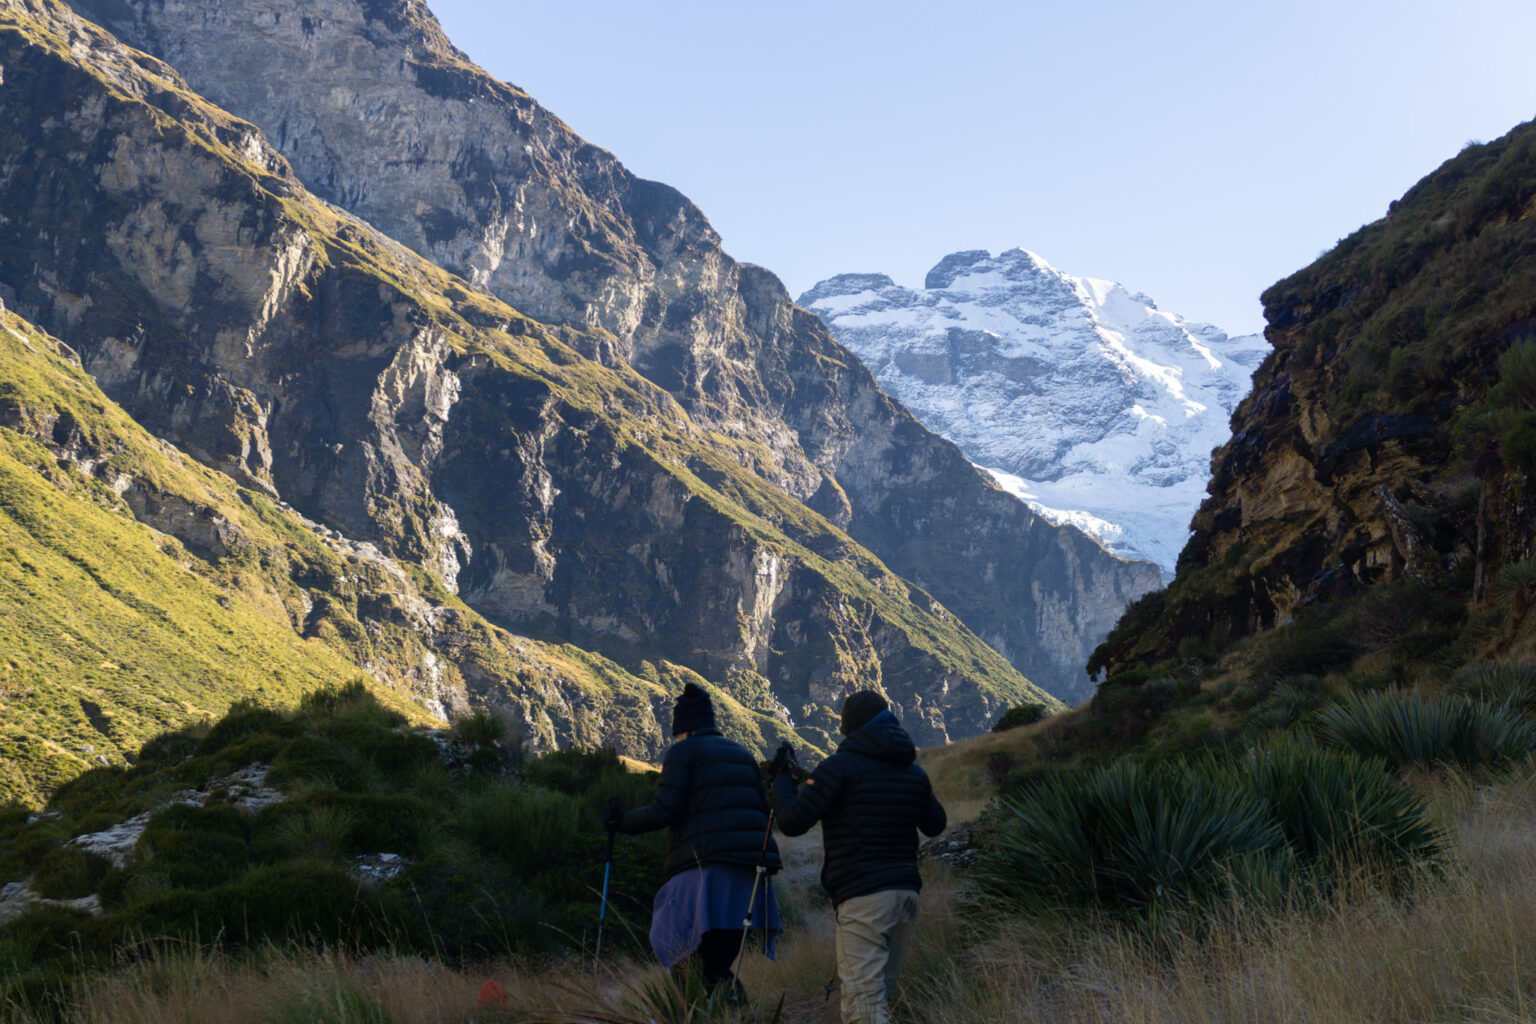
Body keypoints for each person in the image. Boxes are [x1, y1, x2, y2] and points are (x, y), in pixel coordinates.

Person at [769, 690, 946, 1024]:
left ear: (851, 727)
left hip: (864, 896)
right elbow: (936, 824)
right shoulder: (913, 771)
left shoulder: (839, 767)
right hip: (906, 894)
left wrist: (781, 779)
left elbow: (791, 822)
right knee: (880, 997)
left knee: (862, 1007)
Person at [604, 682, 782, 1002]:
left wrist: (621, 823)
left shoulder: (684, 752)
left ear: (684, 729)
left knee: (680, 955)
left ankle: (692, 1014)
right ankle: (732, 1013)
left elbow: (664, 809)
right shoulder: (743, 754)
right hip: (750, 881)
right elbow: (762, 810)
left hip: (705, 876)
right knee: (715, 969)